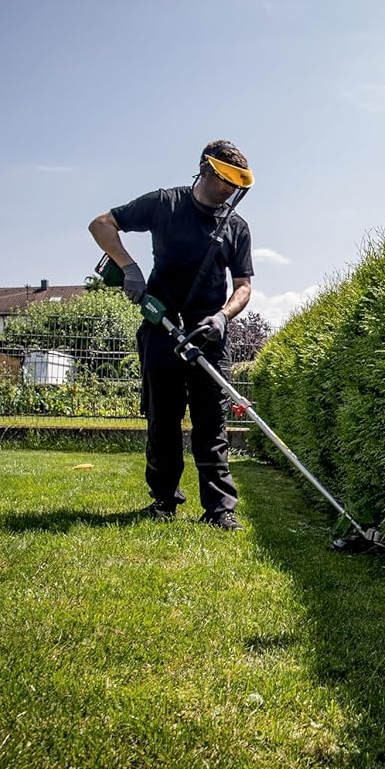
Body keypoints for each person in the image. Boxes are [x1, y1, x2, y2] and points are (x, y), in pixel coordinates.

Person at [88, 140, 256, 530]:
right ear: (204, 169)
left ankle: (219, 509)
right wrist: (128, 267)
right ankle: (164, 501)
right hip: (161, 326)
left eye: (236, 187)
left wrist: (222, 316)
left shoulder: (235, 227)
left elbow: (244, 285)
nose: (228, 192)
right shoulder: (164, 204)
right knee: (162, 420)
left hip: (207, 336)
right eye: (224, 182)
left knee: (211, 423)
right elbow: (101, 224)